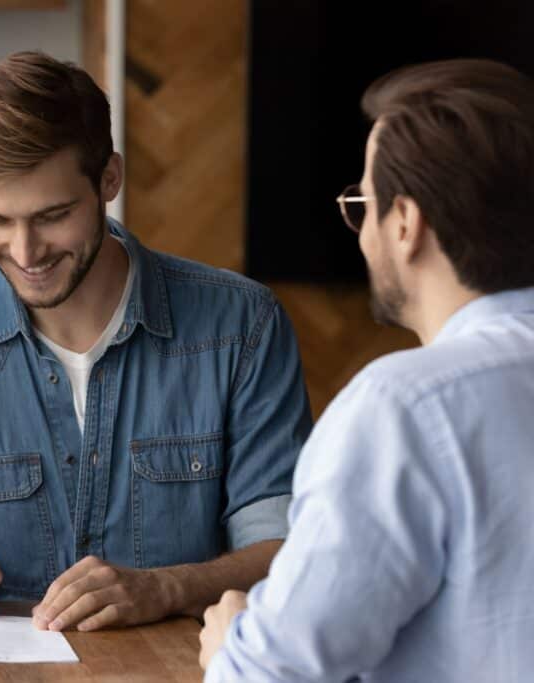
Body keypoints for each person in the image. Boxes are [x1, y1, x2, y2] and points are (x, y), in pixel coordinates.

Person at [0, 52, 313, 632]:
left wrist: (165, 587)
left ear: (109, 178)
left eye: (52, 216)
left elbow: (287, 553)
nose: (26, 253)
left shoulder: (242, 326)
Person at [199, 59, 534, 682]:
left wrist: (228, 647)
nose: (361, 231)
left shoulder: (403, 407)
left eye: (362, 204)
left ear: (405, 224)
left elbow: (273, 676)